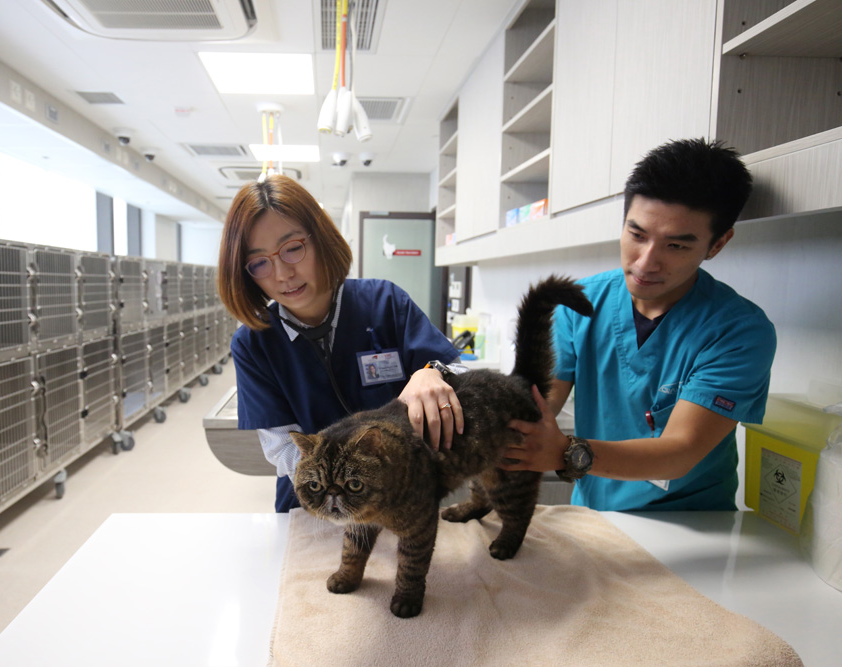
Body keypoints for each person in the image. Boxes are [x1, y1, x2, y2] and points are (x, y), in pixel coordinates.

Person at [502, 138, 777, 511]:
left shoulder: (739, 332)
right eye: (637, 235)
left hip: (692, 525)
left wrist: (565, 451)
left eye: (676, 246)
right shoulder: (578, 305)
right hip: (593, 513)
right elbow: (538, 407)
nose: (646, 263)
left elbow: (680, 452)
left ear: (717, 244)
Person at [218, 175, 462, 513]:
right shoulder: (253, 344)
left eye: (293, 248)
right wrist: (353, 486)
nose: (283, 274)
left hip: (401, 502)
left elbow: (457, 374)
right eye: (259, 262)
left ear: (320, 239)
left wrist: (432, 372)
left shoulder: (385, 302)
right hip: (315, 509)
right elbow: (282, 449)